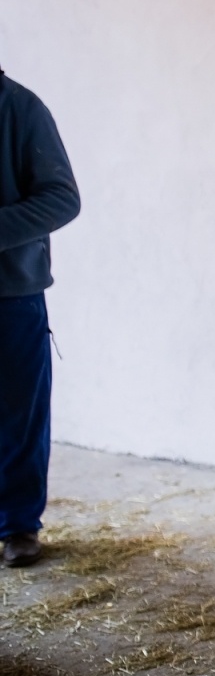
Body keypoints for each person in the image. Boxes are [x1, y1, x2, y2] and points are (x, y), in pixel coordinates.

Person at [1, 66, 81, 569]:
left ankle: (18, 527)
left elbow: (62, 198)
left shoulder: (22, 108)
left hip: (11, 294)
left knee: (18, 415)